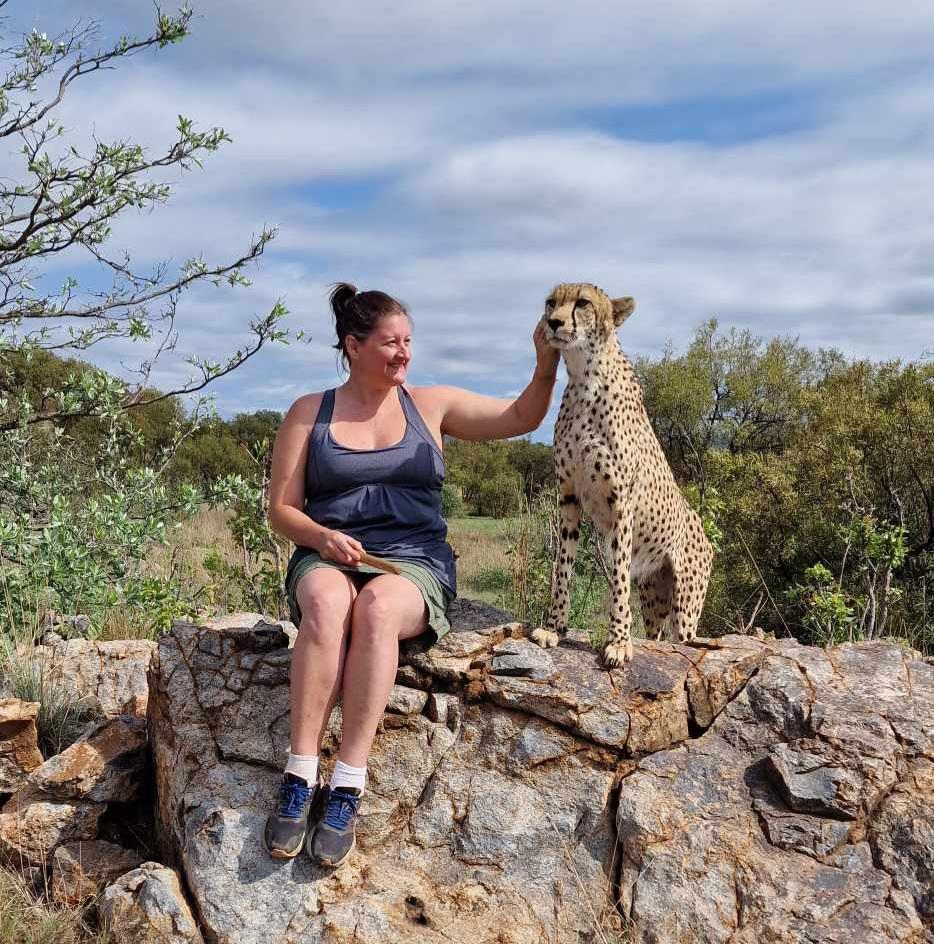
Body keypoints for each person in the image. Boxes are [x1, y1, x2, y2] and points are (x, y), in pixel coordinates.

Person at [263, 282, 560, 867]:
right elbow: (281, 510)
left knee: (375, 613)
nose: (403, 353)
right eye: (390, 343)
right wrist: (322, 538)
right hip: (328, 553)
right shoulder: (308, 412)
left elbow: (522, 416)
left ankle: (347, 781)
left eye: (408, 342)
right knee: (326, 606)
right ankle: (299, 776)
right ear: (352, 346)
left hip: (412, 560)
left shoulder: (430, 406)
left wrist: (545, 362)